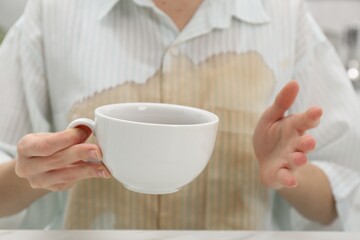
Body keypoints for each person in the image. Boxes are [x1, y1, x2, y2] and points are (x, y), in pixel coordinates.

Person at [0, 0, 360, 230]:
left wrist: (287, 172)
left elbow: (343, 194)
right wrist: (33, 172)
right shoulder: (53, 11)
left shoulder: (285, 14)